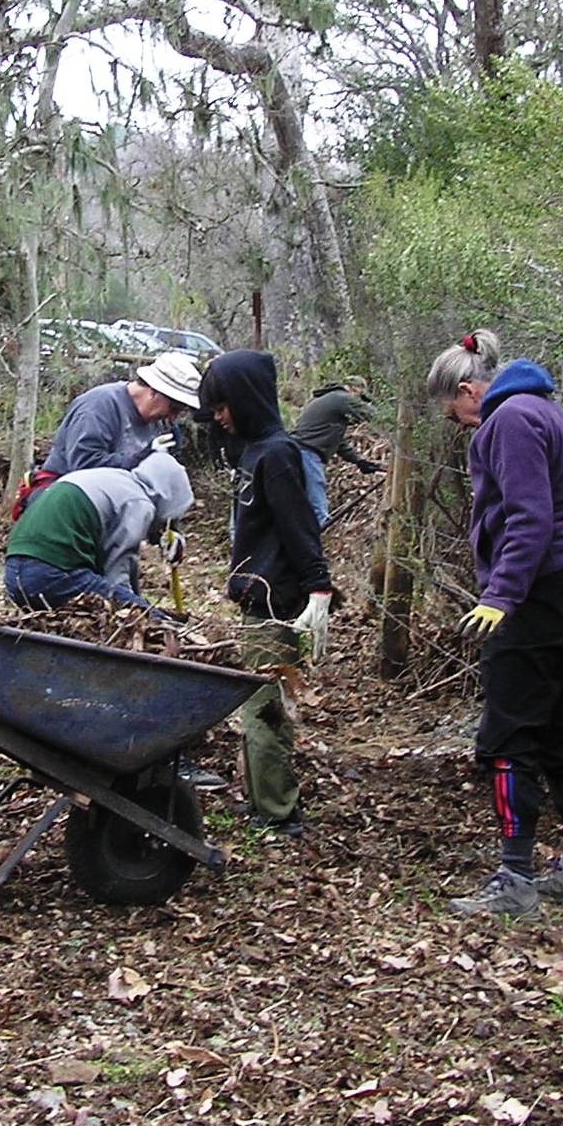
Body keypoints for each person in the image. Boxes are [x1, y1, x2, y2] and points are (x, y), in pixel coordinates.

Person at [428, 329, 563, 917]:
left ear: (471, 391)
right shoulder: (553, 413)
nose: (462, 426)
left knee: (507, 736)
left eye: (457, 416)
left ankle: (516, 879)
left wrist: (501, 596)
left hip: (532, 597)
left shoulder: (508, 421)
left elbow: (531, 517)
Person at [199, 350, 330, 836]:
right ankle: (266, 804)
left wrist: (319, 586)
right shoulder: (253, 450)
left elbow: (299, 527)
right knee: (259, 707)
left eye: (224, 405)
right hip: (257, 598)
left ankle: (275, 811)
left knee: (267, 710)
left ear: (247, 400)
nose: (219, 417)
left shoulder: (277, 454)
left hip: (277, 601)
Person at [14, 351, 201, 518]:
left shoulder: (158, 423)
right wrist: (142, 459)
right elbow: (84, 466)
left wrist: (166, 528)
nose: (173, 417)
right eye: (174, 408)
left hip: (108, 509)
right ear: (154, 391)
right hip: (62, 505)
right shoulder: (97, 407)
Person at [4, 452, 193, 616]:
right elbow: (118, 570)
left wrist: (160, 538)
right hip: (49, 575)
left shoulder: (110, 478)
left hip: (14, 575)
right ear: (167, 497)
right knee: (150, 616)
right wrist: (139, 609)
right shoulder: (137, 501)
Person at [289, 381, 382, 527]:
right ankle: (320, 532)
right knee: (317, 504)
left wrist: (359, 461)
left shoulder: (327, 402)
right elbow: (374, 415)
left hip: (295, 452)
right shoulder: (340, 397)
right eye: (359, 397)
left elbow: (340, 444)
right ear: (354, 389)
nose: (358, 401)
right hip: (306, 453)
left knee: (298, 502)